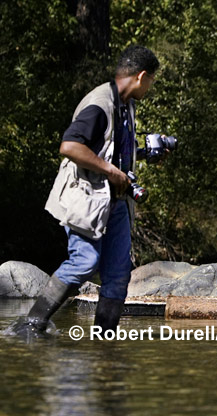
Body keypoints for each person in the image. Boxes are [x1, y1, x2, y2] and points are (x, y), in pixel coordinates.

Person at [13, 45, 161, 337]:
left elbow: (110, 151)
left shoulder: (126, 103)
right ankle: (30, 326)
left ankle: (104, 341)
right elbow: (69, 146)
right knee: (84, 262)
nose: (150, 87)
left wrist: (145, 153)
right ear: (141, 76)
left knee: (118, 276)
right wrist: (110, 171)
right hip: (87, 198)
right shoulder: (99, 103)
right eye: (152, 81)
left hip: (115, 202)